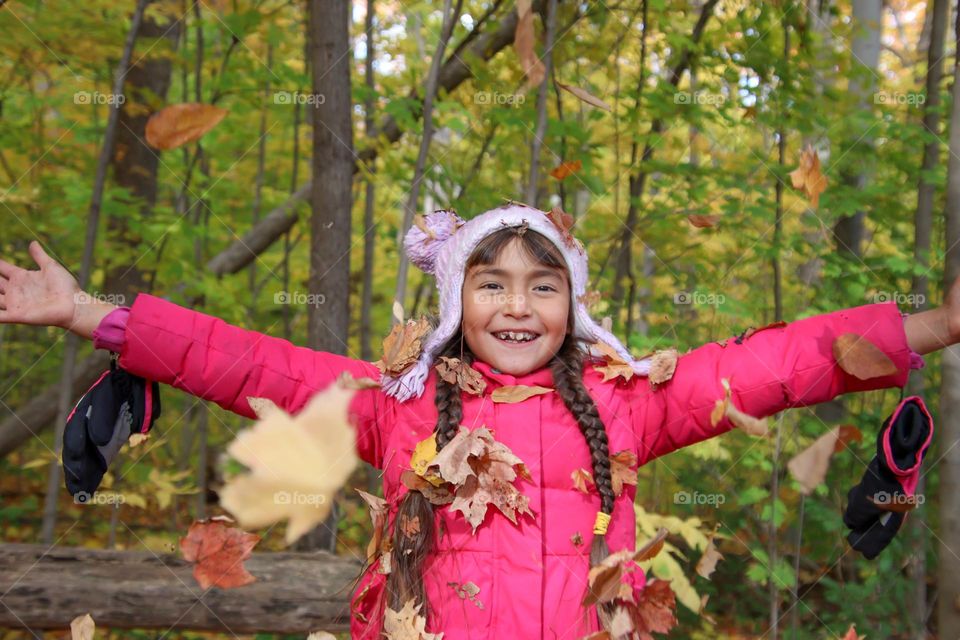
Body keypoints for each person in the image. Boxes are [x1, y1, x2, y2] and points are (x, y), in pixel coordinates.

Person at [0, 202, 955, 639]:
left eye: (542, 287)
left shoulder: (629, 400)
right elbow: (258, 362)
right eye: (490, 283)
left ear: (571, 309)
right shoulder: (396, 402)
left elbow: (773, 364)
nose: (515, 305)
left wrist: (935, 324)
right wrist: (93, 313)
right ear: (458, 299)